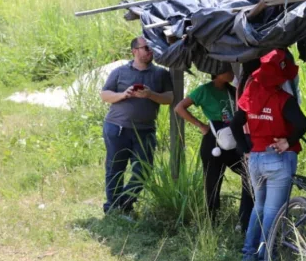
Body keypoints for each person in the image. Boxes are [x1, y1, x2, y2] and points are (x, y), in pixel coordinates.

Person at [237, 49, 306, 261]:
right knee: (272, 211)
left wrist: (246, 150)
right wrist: (288, 140)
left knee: (259, 207)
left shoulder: (249, 94)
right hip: (278, 158)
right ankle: (265, 257)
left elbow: (235, 124)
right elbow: (302, 124)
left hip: (256, 159)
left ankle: (248, 253)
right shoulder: (283, 99)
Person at [99, 36, 174, 215]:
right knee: (115, 168)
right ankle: (114, 207)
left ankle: (122, 202)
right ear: (134, 51)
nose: (150, 51)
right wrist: (124, 95)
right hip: (117, 128)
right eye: (146, 47)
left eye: (151, 48)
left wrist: (150, 95)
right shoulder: (119, 72)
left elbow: (170, 98)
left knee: (144, 170)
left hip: (145, 130)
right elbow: (105, 95)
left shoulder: (161, 73)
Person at [173, 66, 254, 228]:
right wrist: (201, 126)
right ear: (217, 73)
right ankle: (211, 222)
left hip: (234, 137)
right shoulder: (204, 90)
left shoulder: (233, 90)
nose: (232, 74)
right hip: (214, 138)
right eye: (228, 71)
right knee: (212, 182)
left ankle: (244, 219)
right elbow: (179, 107)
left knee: (248, 174)